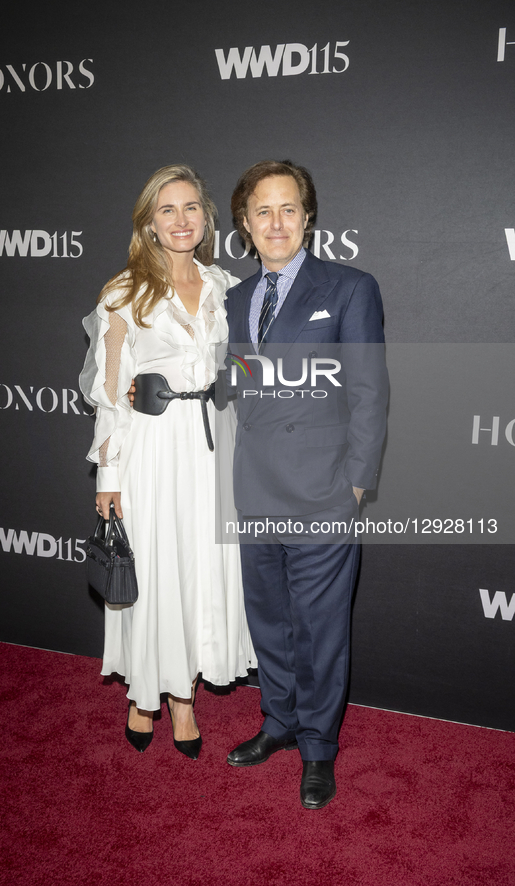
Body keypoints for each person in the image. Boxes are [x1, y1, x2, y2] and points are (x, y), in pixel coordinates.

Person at [225, 160, 388, 806]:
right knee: (268, 620)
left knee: (320, 626)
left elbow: (370, 394)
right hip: (256, 488)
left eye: (287, 208)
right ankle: (279, 723)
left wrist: (355, 485)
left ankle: (318, 747)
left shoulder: (350, 288)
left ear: (308, 217)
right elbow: (241, 391)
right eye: (261, 211)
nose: (275, 222)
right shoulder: (236, 299)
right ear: (244, 224)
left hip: (323, 492)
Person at [80, 165, 255, 759]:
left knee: (199, 571)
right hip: (152, 450)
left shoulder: (227, 286)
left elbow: (245, 365)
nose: (181, 221)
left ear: (206, 218)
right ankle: (146, 694)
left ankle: (182, 698)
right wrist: (109, 474)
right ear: (148, 224)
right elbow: (109, 393)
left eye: (190, 209)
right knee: (153, 576)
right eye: (166, 211)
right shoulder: (122, 294)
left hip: (214, 448)